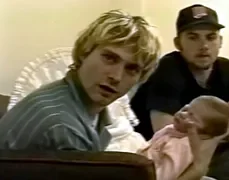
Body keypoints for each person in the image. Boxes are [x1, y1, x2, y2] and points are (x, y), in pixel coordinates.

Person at [130, 4, 229, 180]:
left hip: (206, 151)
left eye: (211, 37)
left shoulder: (227, 70)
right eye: (193, 38)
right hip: (163, 160)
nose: (204, 46)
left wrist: (222, 129)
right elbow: (168, 130)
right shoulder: (167, 69)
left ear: (220, 42)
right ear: (178, 43)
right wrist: (224, 125)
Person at [0, 10, 161, 151]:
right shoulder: (64, 127)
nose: (116, 77)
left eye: (132, 69)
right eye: (109, 58)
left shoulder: (82, 105)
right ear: (85, 52)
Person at [138, 96, 229, 180]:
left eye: (192, 118)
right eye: (186, 109)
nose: (183, 114)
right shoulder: (172, 130)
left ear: (203, 135)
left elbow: (165, 176)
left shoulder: (183, 146)